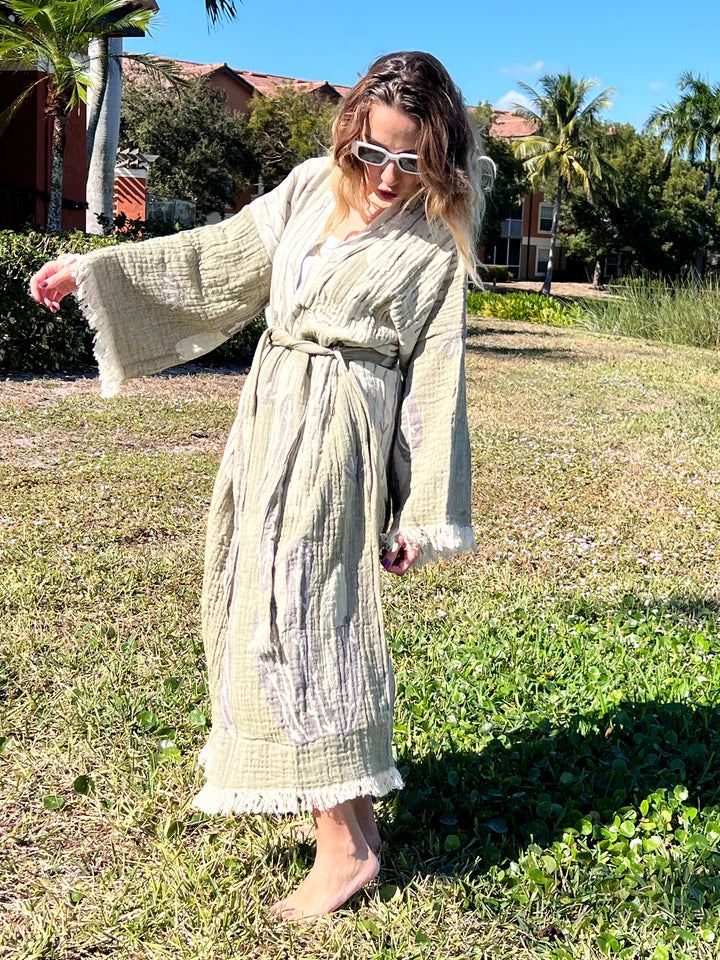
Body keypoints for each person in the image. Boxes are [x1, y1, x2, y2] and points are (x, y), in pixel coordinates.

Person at [29, 50, 486, 920]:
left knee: (304, 620)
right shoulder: (312, 187)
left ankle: (345, 848)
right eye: (372, 153)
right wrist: (98, 270)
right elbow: (219, 259)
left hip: (341, 438)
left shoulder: (435, 238)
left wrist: (423, 508)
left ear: (440, 157)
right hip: (270, 420)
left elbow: (437, 376)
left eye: (410, 160)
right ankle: (351, 822)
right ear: (350, 135)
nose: (387, 178)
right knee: (261, 603)